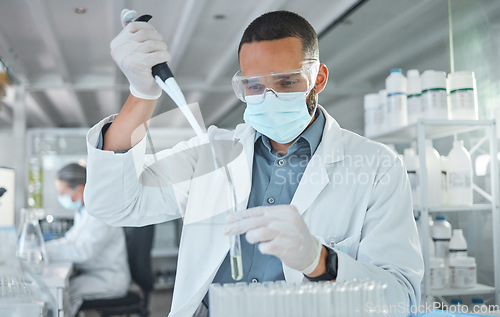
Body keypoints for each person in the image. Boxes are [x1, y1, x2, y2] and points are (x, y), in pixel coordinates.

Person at [85, 9, 424, 317]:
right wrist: (142, 94)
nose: (269, 96)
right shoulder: (213, 152)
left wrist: (320, 261)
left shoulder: (377, 167)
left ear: (318, 78)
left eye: (287, 82)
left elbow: (401, 298)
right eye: (254, 85)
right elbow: (115, 203)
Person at [45, 163, 131, 317]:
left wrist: (43, 251)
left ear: (80, 189)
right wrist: (42, 247)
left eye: (62, 193)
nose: (61, 198)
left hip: (109, 278)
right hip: (95, 274)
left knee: (67, 294)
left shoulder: (102, 212)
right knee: (64, 290)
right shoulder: (84, 211)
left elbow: (83, 252)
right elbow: (69, 241)